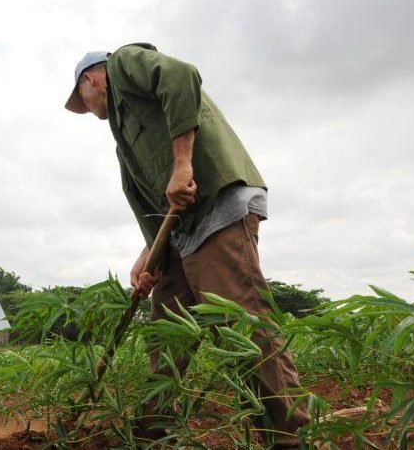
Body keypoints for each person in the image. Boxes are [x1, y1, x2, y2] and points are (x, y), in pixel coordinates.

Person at [65, 44, 310, 448]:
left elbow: (181, 76)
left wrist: (183, 164)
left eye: (82, 100)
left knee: (242, 320)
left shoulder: (125, 64)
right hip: (182, 230)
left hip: (215, 205)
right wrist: (150, 258)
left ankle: (288, 435)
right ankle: (153, 429)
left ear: (90, 79)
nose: (87, 109)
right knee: (167, 326)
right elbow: (154, 203)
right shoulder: (123, 136)